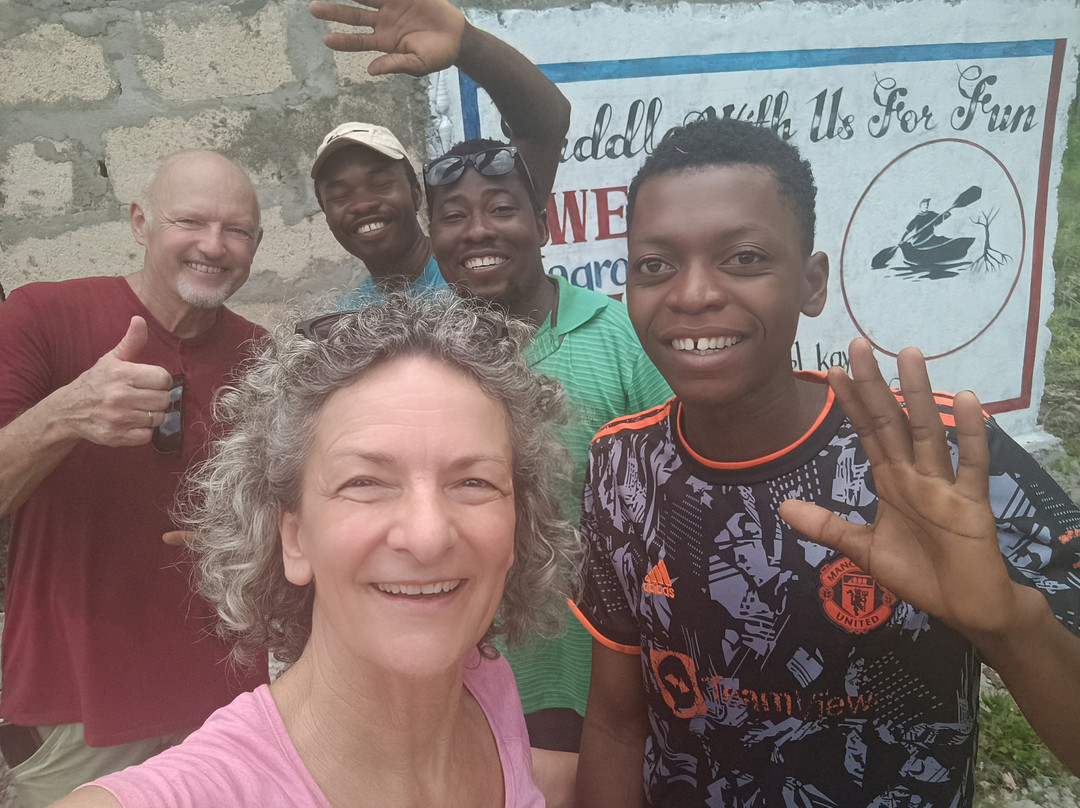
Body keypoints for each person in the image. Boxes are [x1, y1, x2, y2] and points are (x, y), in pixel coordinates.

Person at [572, 116, 1080, 807]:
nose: (692, 295)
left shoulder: (942, 457)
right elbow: (617, 723)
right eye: (654, 265)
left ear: (812, 284)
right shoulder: (622, 466)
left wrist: (1009, 625)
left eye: (744, 258)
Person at [52, 294, 581, 807]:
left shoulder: (484, 683)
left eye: (474, 482)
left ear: (519, 521)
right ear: (294, 538)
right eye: (365, 482)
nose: (427, 536)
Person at [0, 151, 270, 807]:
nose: (213, 245)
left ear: (256, 245)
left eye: (236, 230)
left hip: (225, 702)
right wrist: (66, 413)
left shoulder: (261, 355)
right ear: (140, 222)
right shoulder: (41, 317)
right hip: (78, 707)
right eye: (190, 221)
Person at [425, 134, 672, 800]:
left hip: (614, 672)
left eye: (500, 207)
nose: (478, 229)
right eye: (453, 215)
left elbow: (679, 490)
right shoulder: (426, 358)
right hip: (474, 670)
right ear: (433, 237)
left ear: (542, 225)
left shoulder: (619, 336)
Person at [309, 0, 570, 308]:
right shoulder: (351, 316)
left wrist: (467, 44)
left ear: (417, 194)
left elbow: (545, 126)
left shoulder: (473, 274)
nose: (363, 204)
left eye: (380, 184)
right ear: (327, 217)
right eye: (340, 196)